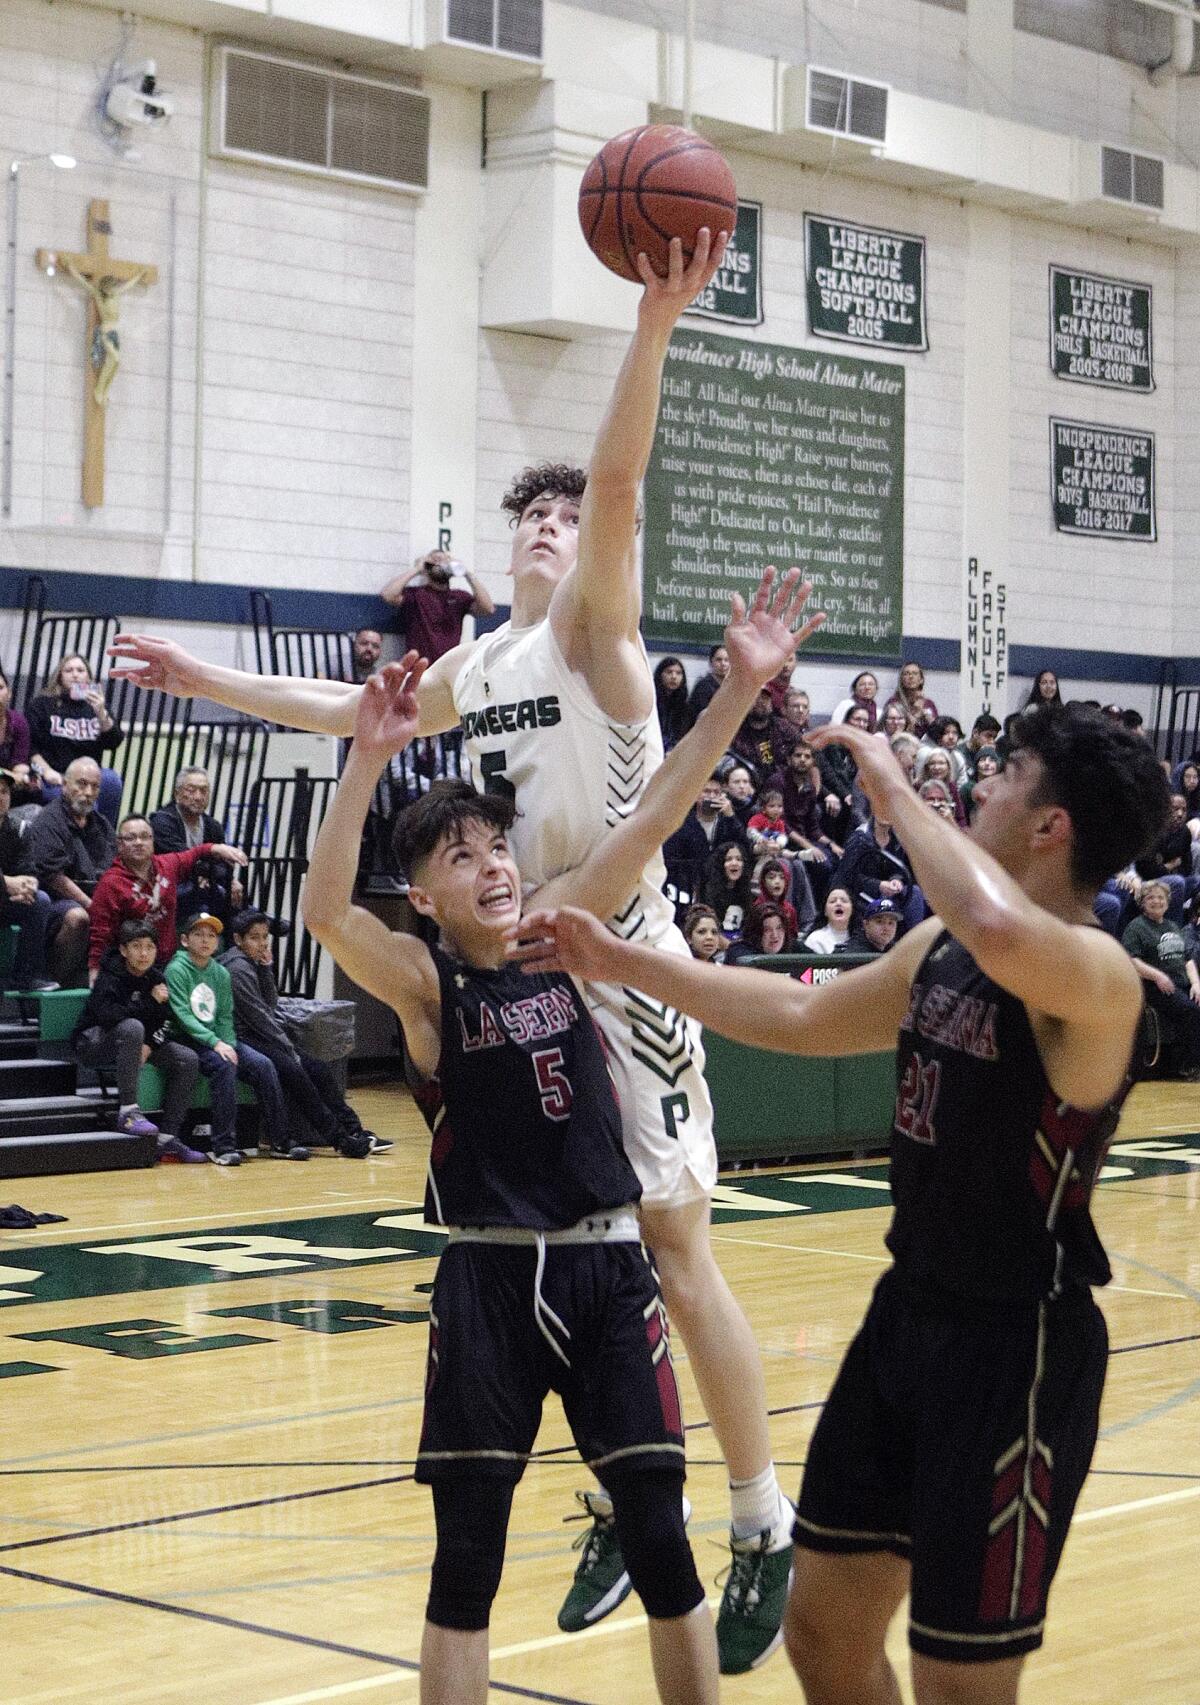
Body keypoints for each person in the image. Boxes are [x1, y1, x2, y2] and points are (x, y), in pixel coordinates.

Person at [109, 238, 810, 1675]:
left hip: (617, 955)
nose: (558, 527)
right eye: (534, 518)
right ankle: (634, 1481)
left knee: (673, 1247)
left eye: (573, 515)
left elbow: (620, 485)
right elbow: (345, 711)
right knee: (571, 1256)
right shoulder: (474, 667)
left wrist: (655, 320)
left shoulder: (599, 641)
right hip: (508, 962)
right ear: (505, 549)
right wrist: (204, 680)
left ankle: (757, 1519)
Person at [513, 702, 1170, 1705]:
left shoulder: (1095, 972)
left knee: (961, 1681)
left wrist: (894, 790)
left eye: (1006, 772)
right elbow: (804, 1011)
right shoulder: (940, 950)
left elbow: (998, 922)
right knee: (821, 1631)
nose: (980, 785)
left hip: (1017, 1354)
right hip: (906, 1319)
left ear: (1053, 825)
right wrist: (617, 960)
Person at [300, 571, 818, 1705]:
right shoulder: (425, 986)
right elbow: (329, 912)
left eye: (497, 849)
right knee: (464, 1568)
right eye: (461, 859)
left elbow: (665, 808)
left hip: (605, 1268)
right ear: (426, 899)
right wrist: (369, 757)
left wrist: (736, 689)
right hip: (487, 1279)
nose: (492, 865)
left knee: (665, 1550)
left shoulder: (562, 935)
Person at [218, 908, 389, 1158]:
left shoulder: (252, 963)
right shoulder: (237, 969)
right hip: (243, 1037)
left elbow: (270, 1004)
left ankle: (355, 1129)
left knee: (317, 1068)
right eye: (255, 937)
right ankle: (340, 1139)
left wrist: (267, 968)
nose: (263, 943)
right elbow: (260, 1018)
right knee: (297, 1074)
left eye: (265, 936)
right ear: (237, 939)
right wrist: (288, 1048)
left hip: (259, 1035)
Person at [165, 912, 310, 1165]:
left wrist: (229, 1044)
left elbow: (224, 1016)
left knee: (263, 1064)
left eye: (211, 935)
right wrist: (216, 1044)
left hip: (220, 1038)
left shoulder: (220, 973)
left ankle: (281, 1140)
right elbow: (183, 1016)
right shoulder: (176, 970)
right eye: (198, 935)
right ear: (185, 940)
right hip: (187, 1039)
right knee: (224, 1065)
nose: (205, 940)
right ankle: (223, 1147)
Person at [71, 918, 203, 1158]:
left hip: (135, 1042)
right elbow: (109, 1017)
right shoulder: (110, 975)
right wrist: (149, 1002)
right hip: (93, 1043)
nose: (144, 954)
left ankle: (168, 1137)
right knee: (131, 1027)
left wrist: (150, 1046)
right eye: (136, 946)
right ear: (123, 950)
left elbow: (165, 1021)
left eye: (150, 947)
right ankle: (128, 1112)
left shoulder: (157, 978)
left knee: (187, 1058)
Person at [87, 815, 248, 981]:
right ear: (120, 845)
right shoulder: (110, 883)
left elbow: (195, 853)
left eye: (144, 837)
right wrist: (95, 968)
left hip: (166, 961)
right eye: (130, 838)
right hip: (129, 966)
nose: (138, 842)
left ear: (152, 841)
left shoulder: (168, 864)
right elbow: (101, 932)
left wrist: (218, 848)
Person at [28, 757, 116, 986]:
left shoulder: (102, 825)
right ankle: (59, 984)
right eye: (82, 784)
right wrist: (92, 905)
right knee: (77, 918)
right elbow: (53, 876)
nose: (88, 792)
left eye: (95, 787)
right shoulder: (49, 821)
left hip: (94, 900)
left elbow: (114, 869)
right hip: (55, 904)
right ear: (65, 785)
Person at [26, 654, 124, 825]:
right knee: (86, 803)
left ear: (88, 676)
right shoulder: (42, 704)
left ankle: (106, 837)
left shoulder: (96, 706)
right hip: (56, 776)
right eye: (68, 670)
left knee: (111, 780)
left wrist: (101, 712)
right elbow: (31, 747)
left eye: (80, 670)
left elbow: (114, 741)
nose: (75, 674)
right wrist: (47, 771)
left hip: (89, 775)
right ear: (59, 676)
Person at [1121, 880, 1200, 1076]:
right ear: (1142, 902)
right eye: (1151, 897)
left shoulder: (1172, 926)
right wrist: (1158, 976)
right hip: (1155, 985)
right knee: (1190, 1011)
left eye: (1161, 897)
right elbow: (1132, 960)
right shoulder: (1136, 927)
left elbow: (1187, 959)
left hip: (1181, 981)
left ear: (1167, 902)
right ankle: (1188, 1064)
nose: (1156, 901)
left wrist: (1196, 983)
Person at [150, 766, 245, 926]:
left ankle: (250, 920)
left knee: (233, 891)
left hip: (206, 885)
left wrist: (228, 879)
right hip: (169, 887)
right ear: (177, 794)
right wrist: (207, 873)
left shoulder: (213, 826)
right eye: (191, 790)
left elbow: (224, 866)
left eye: (204, 791)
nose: (198, 796)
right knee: (209, 894)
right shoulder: (162, 821)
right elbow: (183, 860)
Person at [380, 550, 495, 662]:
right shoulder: (415, 594)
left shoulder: (459, 597)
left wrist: (466, 573)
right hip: (419, 668)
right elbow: (388, 595)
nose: (439, 564)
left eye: (444, 561)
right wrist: (417, 569)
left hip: (447, 669)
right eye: (435, 560)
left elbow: (488, 609)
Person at [662, 775, 748, 917]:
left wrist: (731, 817)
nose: (712, 796)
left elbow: (745, 849)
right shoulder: (682, 822)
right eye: (707, 791)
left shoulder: (728, 821)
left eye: (716, 792)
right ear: (696, 795)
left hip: (722, 883)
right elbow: (671, 856)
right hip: (688, 882)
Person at [0, 771, 53, 990]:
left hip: (5, 900)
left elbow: (28, 868)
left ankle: (26, 977)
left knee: (39, 900)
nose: (1, 797)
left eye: (4, 792)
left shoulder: (19, 828)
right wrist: (6, 883)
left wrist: (28, 885)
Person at [701, 841, 754, 942]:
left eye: (739, 859)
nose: (734, 863)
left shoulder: (746, 892)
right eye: (728, 859)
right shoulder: (708, 891)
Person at [0, 668, 34, 802]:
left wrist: (20, 775)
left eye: (0, 688)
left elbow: (20, 763)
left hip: (6, 781)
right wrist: (9, 774)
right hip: (6, 776)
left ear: (9, 694)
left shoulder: (18, 722)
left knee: (31, 791)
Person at [684, 641, 730, 729]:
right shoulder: (703, 686)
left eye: (726, 660)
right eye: (719, 660)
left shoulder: (731, 686)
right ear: (711, 662)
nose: (723, 664)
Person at [837, 894, 901, 956]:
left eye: (891, 923)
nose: (886, 928)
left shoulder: (894, 950)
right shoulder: (853, 954)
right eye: (879, 922)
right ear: (865, 925)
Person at [884, 661, 937, 733]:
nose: (911, 677)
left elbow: (937, 731)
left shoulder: (929, 704)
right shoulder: (893, 702)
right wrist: (917, 713)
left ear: (921, 680)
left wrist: (928, 717)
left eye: (915, 673)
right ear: (902, 680)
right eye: (907, 674)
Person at [653, 656, 690, 752]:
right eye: (669, 672)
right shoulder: (652, 700)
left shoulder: (684, 703)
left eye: (678, 673)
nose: (674, 677)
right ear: (660, 674)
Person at [802, 886, 853, 954]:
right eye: (832, 901)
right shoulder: (815, 938)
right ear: (825, 911)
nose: (838, 903)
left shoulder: (861, 937)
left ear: (852, 909)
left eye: (844, 901)